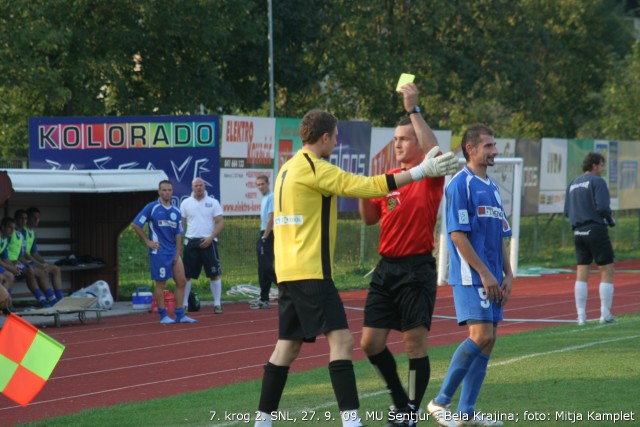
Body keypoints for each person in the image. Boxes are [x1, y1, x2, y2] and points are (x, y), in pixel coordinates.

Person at [253, 109, 458, 427]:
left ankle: (262, 421)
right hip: (313, 270)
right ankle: (352, 421)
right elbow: (365, 190)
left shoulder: (287, 168)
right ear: (324, 138)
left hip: (292, 271)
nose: (336, 142)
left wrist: (422, 169)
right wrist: (415, 172)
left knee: (287, 347)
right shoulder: (315, 167)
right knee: (346, 342)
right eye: (335, 137)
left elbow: (369, 188)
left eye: (403, 139)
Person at [358, 82, 445, 426]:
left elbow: (435, 152)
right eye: (395, 139)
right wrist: (363, 189)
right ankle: (400, 401)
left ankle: (410, 408)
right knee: (370, 343)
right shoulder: (387, 179)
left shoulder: (428, 176)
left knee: (414, 346)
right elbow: (368, 220)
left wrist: (413, 110)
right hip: (386, 270)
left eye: (404, 139)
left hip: (416, 269)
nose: (398, 144)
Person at [426, 123, 513, 427]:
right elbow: (458, 236)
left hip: (491, 276)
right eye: (488, 146)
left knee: (489, 342)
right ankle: (439, 402)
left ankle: (466, 413)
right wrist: (486, 274)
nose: (495, 151)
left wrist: (508, 273)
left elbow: (501, 235)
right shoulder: (458, 184)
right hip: (470, 276)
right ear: (470, 149)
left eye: (494, 145)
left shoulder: (492, 188)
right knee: (481, 336)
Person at [132, 180, 197, 324]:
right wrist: (147, 241)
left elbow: (179, 233)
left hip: (173, 252)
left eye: (169, 190)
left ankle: (180, 314)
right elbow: (136, 225)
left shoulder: (176, 211)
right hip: (159, 252)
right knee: (161, 284)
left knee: (181, 282)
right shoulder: (151, 208)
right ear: (159, 192)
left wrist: (178, 252)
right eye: (164, 190)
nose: (167, 192)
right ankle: (163, 315)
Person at [564, 152, 616, 325]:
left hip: (578, 231)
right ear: (594, 165)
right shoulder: (597, 182)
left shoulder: (572, 183)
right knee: (606, 269)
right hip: (595, 228)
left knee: (582, 272)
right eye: (601, 165)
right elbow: (602, 207)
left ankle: (581, 317)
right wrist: (609, 219)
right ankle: (605, 314)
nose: (603, 169)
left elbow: (566, 211)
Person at [179, 177, 224, 314]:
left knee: (214, 274)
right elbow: (182, 224)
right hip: (191, 242)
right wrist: (179, 242)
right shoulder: (185, 203)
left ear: (205, 187)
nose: (198, 187)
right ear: (192, 188)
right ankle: (185, 304)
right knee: (187, 275)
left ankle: (217, 304)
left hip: (208, 242)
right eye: (196, 185)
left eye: (201, 185)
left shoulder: (213, 202)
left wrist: (211, 238)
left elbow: (220, 222)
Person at [6, 212, 55, 307]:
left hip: (15, 263)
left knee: (36, 271)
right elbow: (5, 254)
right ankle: (8, 304)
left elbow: (21, 255)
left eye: (25, 218)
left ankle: (50, 299)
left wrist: (28, 264)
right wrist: (13, 264)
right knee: (29, 272)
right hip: (8, 264)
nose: (24, 221)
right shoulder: (10, 234)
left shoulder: (20, 235)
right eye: (21, 218)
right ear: (15, 219)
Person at [24, 206, 65, 302]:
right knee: (42, 270)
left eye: (38, 217)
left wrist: (44, 262)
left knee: (56, 269)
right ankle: (50, 299)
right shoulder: (23, 231)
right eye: (34, 217)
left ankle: (59, 298)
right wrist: (40, 265)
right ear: (28, 218)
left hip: (31, 261)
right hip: (24, 262)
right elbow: (23, 253)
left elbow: (34, 253)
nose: (37, 220)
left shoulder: (33, 233)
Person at [251, 175, 277, 310]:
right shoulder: (264, 198)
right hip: (263, 233)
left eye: (262, 184)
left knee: (266, 267)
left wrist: (265, 236)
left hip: (269, 234)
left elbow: (271, 218)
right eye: (258, 185)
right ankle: (264, 298)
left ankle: (288, 291)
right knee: (262, 269)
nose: (260, 187)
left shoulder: (272, 196)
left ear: (268, 184)